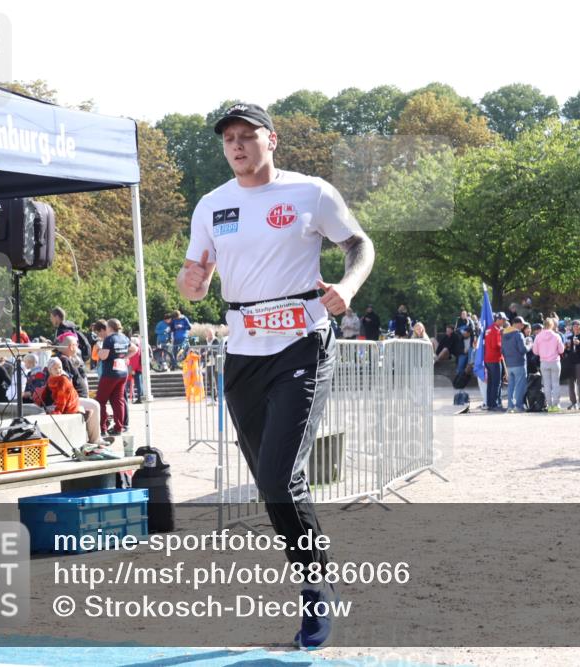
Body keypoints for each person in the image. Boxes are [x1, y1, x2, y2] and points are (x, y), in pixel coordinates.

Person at [175, 102, 375, 648]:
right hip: (243, 354)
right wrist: (192, 283)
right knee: (272, 483)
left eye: (248, 135)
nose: (237, 146)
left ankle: (315, 593)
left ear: (272, 139)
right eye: (229, 139)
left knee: (280, 479)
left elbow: (359, 244)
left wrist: (348, 287)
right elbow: (196, 275)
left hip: (300, 344)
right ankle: (319, 574)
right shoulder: (212, 205)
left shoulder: (311, 192)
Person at [54, 333, 105, 446]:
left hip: (76, 397)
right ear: (71, 346)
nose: (77, 347)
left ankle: (94, 438)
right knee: (95, 405)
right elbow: (67, 384)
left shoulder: (67, 358)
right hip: (71, 399)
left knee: (93, 404)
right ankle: (95, 440)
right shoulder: (63, 360)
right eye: (76, 345)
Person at [96, 318, 136, 436]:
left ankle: (102, 428)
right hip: (122, 372)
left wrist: (99, 351)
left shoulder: (109, 339)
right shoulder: (124, 337)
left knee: (101, 401)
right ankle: (119, 428)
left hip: (110, 373)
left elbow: (104, 356)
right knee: (119, 400)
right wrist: (124, 357)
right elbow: (134, 349)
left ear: (109, 327)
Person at [532, 317, 566, 412]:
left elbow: (535, 351)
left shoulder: (538, 336)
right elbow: (561, 350)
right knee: (555, 384)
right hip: (555, 362)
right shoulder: (556, 336)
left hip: (544, 362)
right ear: (552, 325)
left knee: (546, 385)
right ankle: (556, 405)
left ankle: (549, 405)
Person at [501, 316, 528, 412]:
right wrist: (529, 345)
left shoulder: (504, 334)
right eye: (522, 324)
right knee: (520, 386)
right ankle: (519, 406)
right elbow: (523, 350)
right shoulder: (518, 335)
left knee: (510, 387)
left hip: (509, 365)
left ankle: (510, 406)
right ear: (517, 324)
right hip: (519, 363)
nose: (523, 326)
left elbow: (502, 351)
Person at [483, 312, 507, 411]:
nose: (504, 322)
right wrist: (504, 345)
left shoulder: (489, 328)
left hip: (488, 358)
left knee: (491, 383)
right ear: (499, 319)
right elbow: (496, 345)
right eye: (503, 320)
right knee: (496, 383)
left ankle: (490, 403)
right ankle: (495, 404)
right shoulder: (496, 330)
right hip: (495, 359)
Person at [564, 320, 580, 410]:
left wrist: (579, 344)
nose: (575, 326)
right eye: (574, 325)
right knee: (571, 383)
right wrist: (566, 348)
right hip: (570, 362)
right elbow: (567, 352)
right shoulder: (569, 337)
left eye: (577, 325)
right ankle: (573, 402)